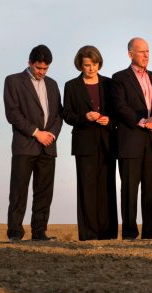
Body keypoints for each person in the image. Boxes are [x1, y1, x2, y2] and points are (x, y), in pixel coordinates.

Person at [3, 44, 63, 241]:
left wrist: (51, 134)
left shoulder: (53, 84)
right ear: (30, 63)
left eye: (46, 69)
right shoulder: (13, 81)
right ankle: (15, 233)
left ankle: (39, 232)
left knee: (44, 193)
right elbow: (12, 113)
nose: (42, 72)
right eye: (38, 68)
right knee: (19, 192)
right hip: (25, 146)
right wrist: (37, 133)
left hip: (48, 147)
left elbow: (58, 115)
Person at [111, 37, 152, 240]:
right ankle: (129, 232)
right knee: (129, 189)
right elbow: (120, 107)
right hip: (130, 141)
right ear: (130, 54)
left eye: (148, 51)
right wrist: (143, 121)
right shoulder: (119, 78)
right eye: (141, 51)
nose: (146, 55)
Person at [62, 45, 118, 241]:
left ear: (99, 63)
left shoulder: (110, 84)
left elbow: (118, 112)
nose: (91, 68)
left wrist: (109, 120)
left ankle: (108, 233)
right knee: (86, 189)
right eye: (87, 65)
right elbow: (67, 115)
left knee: (107, 188)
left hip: (107, 142)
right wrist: (85, 117)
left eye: (94, 64)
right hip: (84, 144)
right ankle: (88, 234)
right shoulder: (71, 86)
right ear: (80, 65)